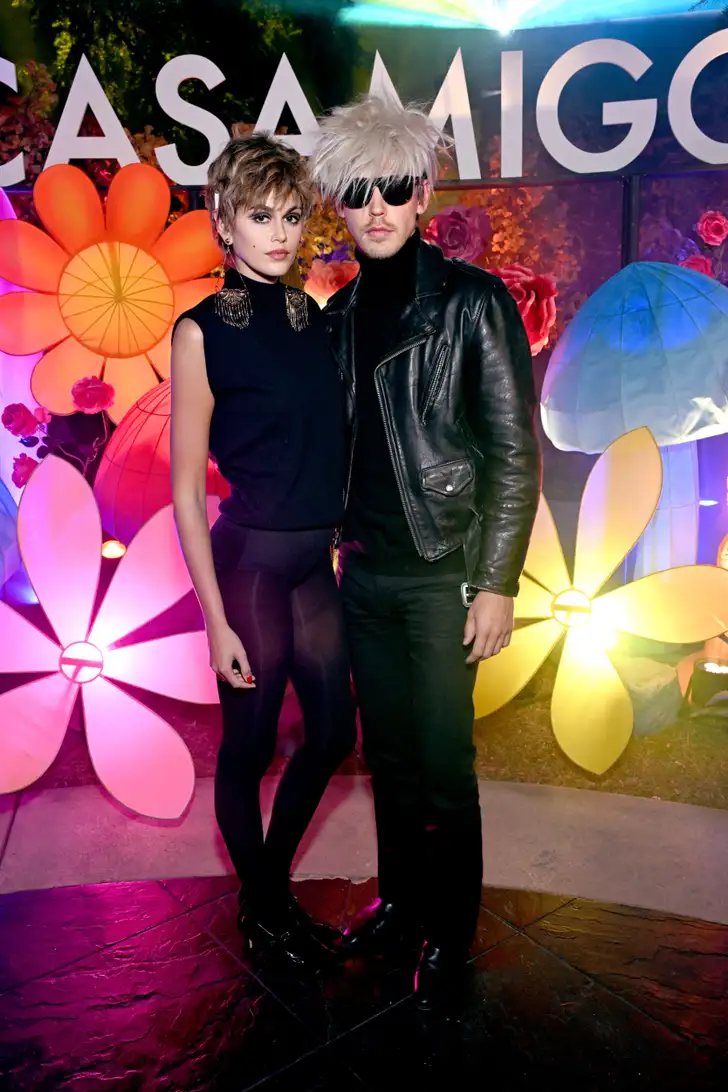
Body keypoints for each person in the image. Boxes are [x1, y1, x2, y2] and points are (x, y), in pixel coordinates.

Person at [311, 96, 541, 1008]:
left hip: (445, 575)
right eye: (358, 192)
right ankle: (402, 904)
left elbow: (514, 451)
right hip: (364, 573)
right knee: (391, 761)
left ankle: (451, 930)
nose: (376, 208)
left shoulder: (472, 302)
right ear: (341, 201)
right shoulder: (339, 312)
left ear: (422, 194)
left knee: (445, 766)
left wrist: (497, 582)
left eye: (393, 189)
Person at [171, 134, 356, 966]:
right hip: (248, 567)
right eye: (260, 216)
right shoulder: (200, 332)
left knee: (333, 734)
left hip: (313, 565)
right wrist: (215, 622)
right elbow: (185, 488)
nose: (279, 234)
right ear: (224, 222)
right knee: (247, 748)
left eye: (290, 216)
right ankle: (267, 908)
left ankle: (268, 891)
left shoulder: (311, 317)